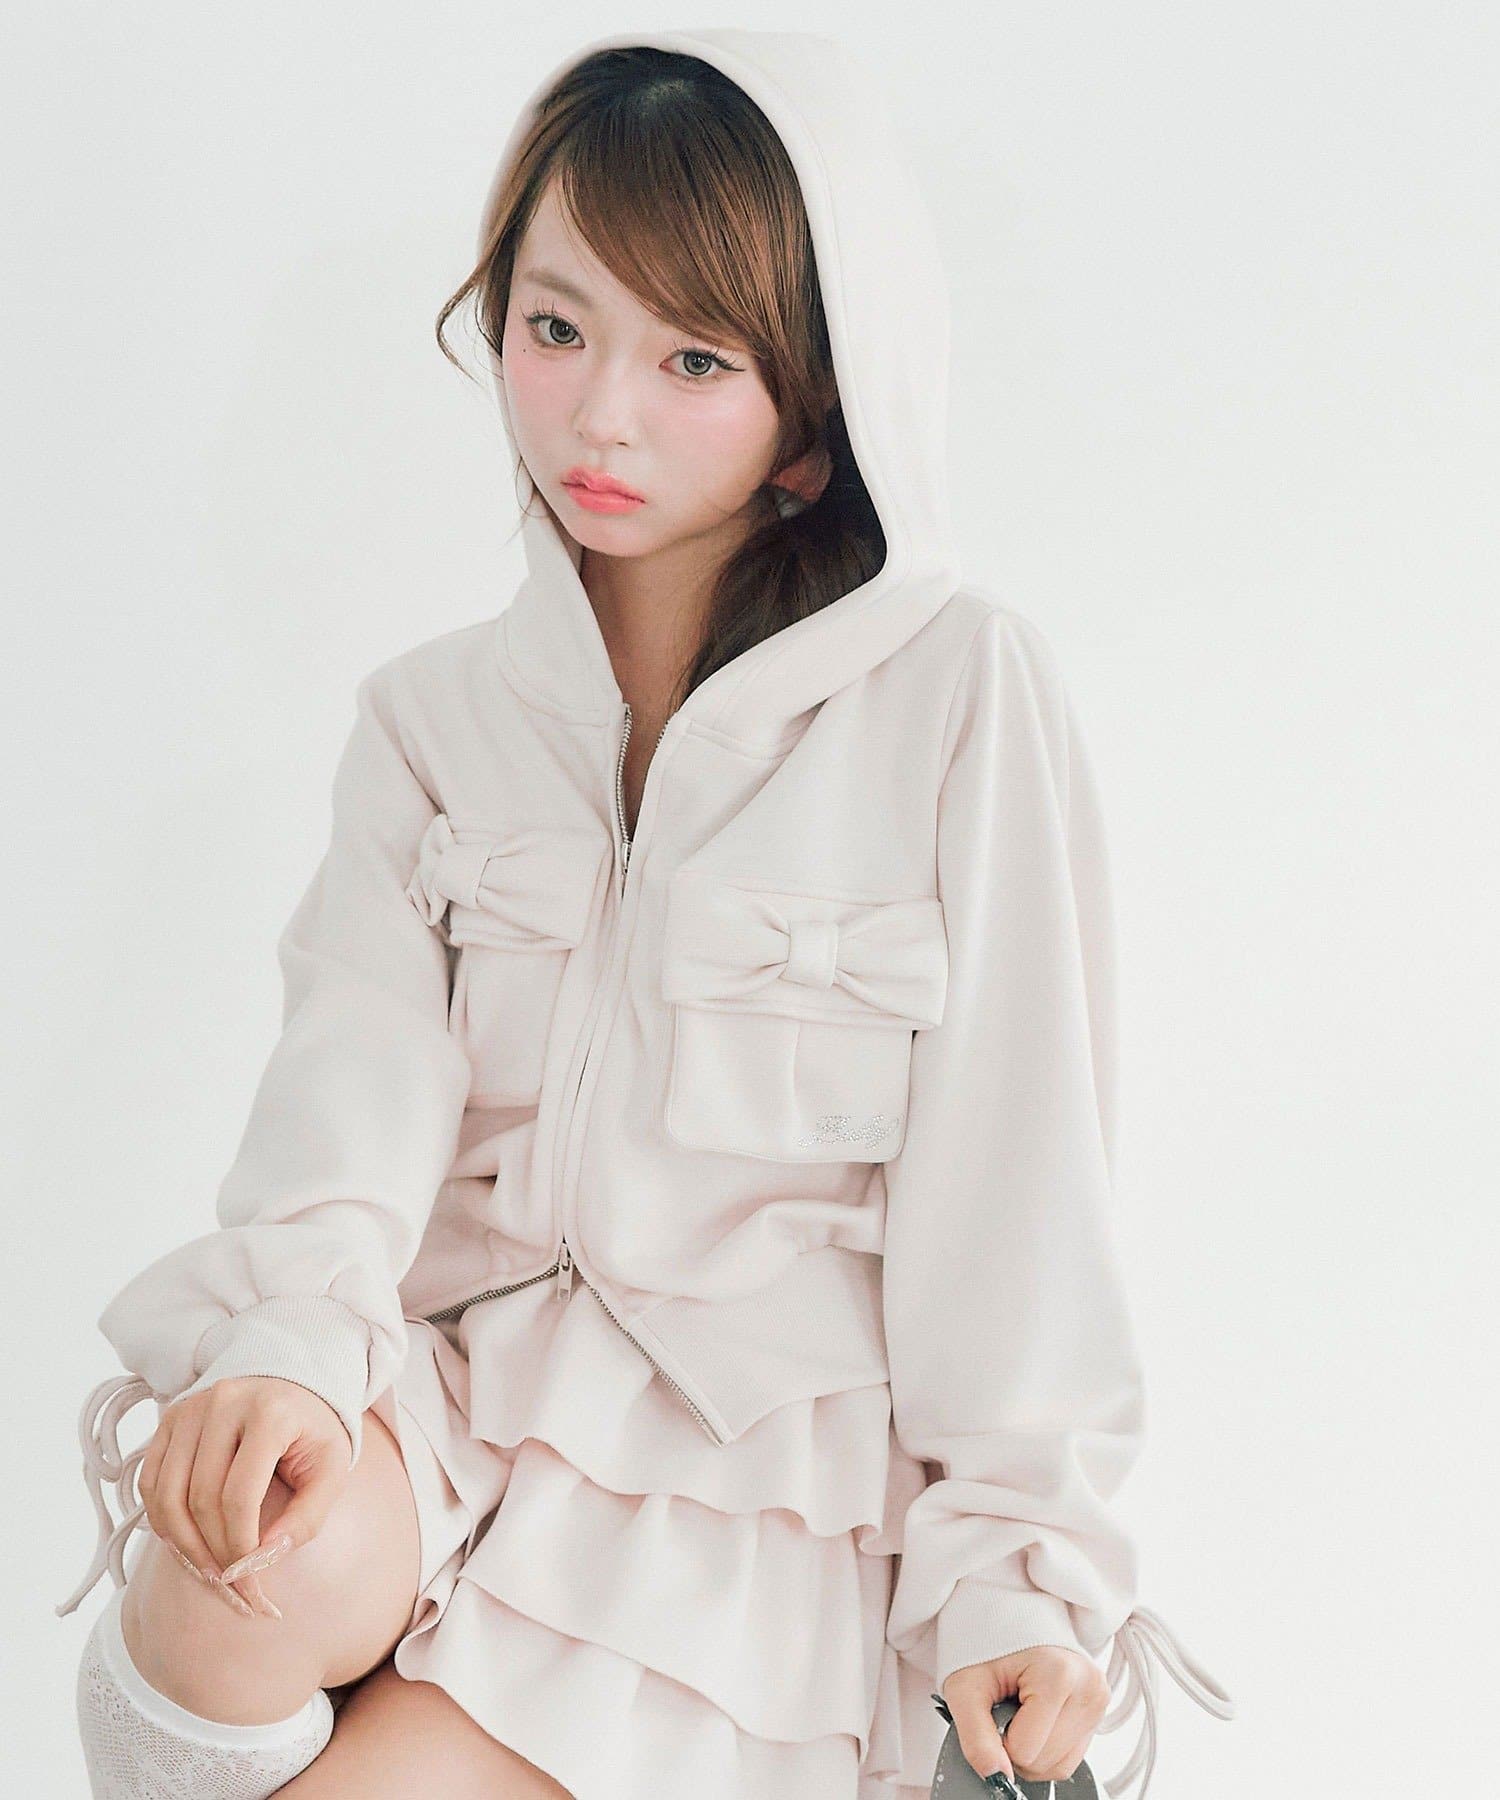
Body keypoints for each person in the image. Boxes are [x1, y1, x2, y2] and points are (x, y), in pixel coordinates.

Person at [58, 27, 1235, 1800]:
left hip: (736, 1503)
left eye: (694, 357)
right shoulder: (428, 720)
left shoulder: (958, 696)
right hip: (446, 1412)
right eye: (557, 328)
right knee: (229, 1567)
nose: (602, 415)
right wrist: (291, 1358)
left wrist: (1014, 1579)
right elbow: (348, 1101)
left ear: (813, 409)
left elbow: (1021, 1186)